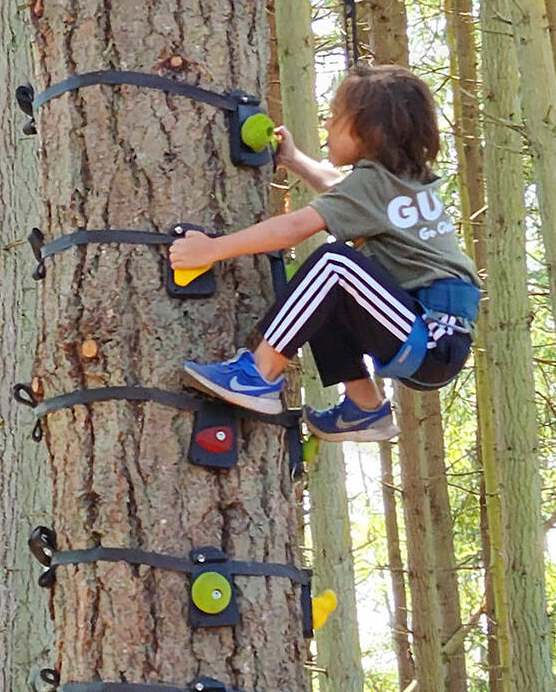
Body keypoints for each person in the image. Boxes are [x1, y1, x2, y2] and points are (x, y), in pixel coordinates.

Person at [169, 64, 481, 442]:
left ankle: (259, 375)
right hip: (434, 336)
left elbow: (294, 228)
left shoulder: (375, 184)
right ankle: (364, 407)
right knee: (326, 295)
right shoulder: (402, 180)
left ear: (368, 132)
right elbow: (341, 189)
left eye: (335, 119)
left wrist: (213, 250)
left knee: (333, 264)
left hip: (431, 337)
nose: (328, 126)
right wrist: (296, 160)